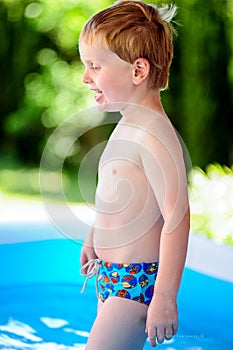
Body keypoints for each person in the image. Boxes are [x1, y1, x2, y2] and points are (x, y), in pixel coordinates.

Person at [79, 1, 190, 349]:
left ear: (137, 71)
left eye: (95, 66)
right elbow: (119, 195)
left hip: (136, 283)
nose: (85, 77)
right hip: (111, 277)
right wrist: (94, 236)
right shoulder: (128, 123)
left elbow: (177, 215)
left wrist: (165, 296)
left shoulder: (154, 133)